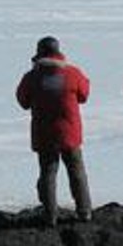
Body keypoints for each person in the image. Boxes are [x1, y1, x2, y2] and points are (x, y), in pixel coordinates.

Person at [16, 36, 93, 225]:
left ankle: (50, 215)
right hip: (70, 133)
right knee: (77, 172)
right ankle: (84, 211)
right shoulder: (73, 73)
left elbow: (22, 101)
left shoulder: (32, 77)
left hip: (44, 133)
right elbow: (84, 95)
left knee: (48, 173)